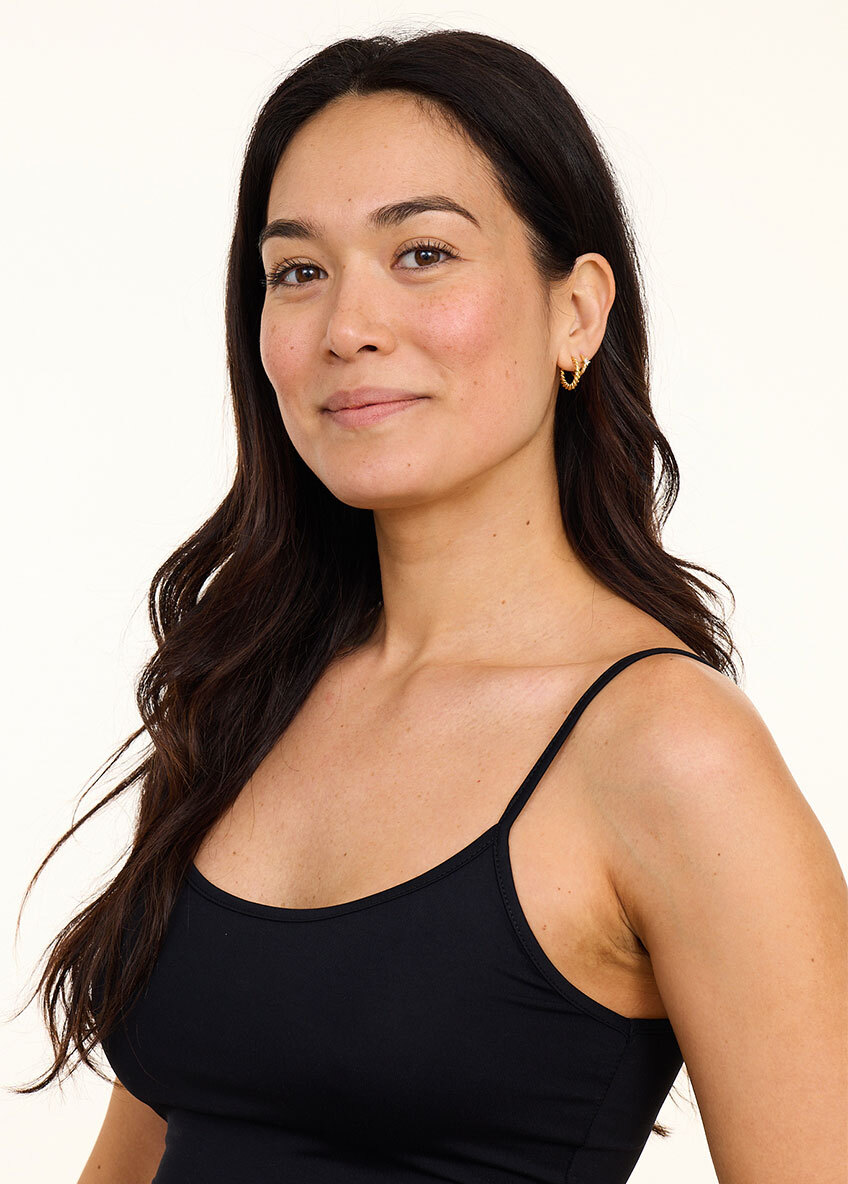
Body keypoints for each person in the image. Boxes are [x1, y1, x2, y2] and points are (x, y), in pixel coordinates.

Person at [11, 28, 846, 1184]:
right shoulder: (240, 692)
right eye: (297, 271)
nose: (347, 325)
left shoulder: (669, 752)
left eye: (421, 253)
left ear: (576, 311)